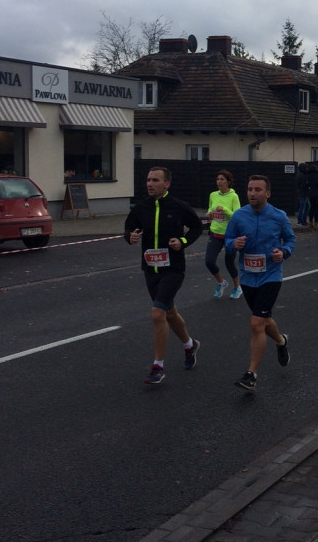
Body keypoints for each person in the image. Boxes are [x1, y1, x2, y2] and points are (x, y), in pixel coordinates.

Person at [124, 166, 203, 385]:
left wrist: (183, 242)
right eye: (148, 180)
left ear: (166, 184)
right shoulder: (141, 207)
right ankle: (189, 345)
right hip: (150, 269)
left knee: (157, 313)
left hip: (173, 269)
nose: (150, 184)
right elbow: (129, 226)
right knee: (168, 313)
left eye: (155, 180)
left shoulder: (178, 207)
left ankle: (158, 366)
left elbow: (197, 227)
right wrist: (129, 236)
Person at [224, 174, 295, 393]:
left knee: (256, 323)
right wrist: (234, 244)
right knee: (263, 319)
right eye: (250, 189)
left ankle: (251, 374)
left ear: (267, 193)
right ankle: (281, 341)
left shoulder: (278, 216)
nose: (252, 193)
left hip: (270, 276)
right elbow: (227, 242)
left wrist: (282, 252)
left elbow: (290, 240)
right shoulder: (239, 216)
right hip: (247, 276)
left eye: (257, 190)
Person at [204, 169, 242, 299]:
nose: (219, 182)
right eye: (218, 179)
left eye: (222, 179)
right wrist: (209, 214)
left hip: (230, 235)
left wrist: (225, 209)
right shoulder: (213, 195)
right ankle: (221, 282)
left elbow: (237, 216)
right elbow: (210, 209)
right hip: (215, 232)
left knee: (229, 262)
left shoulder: (234, 196)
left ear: (228, 182)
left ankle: (237, 287)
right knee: (209, 261)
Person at [295, 162, 310, 227]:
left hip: (302, 192)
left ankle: (302, 221)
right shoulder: (303, 175)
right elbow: (304, 184)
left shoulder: (299, 175)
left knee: (305, 206)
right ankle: (300, 221)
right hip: (303, 193)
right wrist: (308, 184)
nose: (307, 169)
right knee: (303, 207)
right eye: (306, 167)